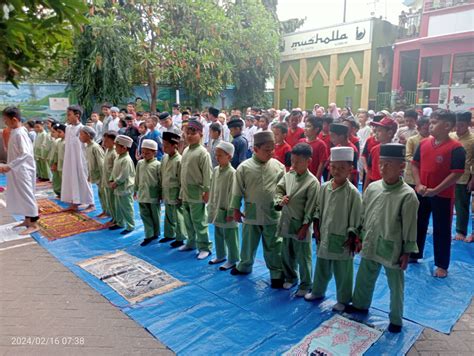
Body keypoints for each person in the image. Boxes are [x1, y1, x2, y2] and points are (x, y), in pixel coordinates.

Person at [347, 143, 419, 333]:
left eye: (389, 164)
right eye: (381, 163)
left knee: (395, 284)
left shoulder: (407, 196)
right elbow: (363, 214)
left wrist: (407, 252)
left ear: (401, 166)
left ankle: (396, 318)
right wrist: (359, 236)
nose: (383, 168)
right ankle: (360, 304)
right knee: (364, 276)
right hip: (370, 241)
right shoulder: (372, 188)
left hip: (392, 247)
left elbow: (411, 227)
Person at [305, 146, 362, 311]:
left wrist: (353, 236)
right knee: (322, 265)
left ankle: (343, 299)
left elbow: (356, 217)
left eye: (342, 168)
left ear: (350, 169)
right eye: (334, 167)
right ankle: (318, 291)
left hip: (343, 239)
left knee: (343, 271)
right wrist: (316, 226)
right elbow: (318, 209)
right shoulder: (324, 188)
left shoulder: (352, 193)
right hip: (325, 235)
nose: (337, 171)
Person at [411, 109, 466, 278]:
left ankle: (441, 265)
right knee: (418, 223)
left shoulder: (456, 148)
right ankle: (415, 253)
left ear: (447, 125)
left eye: (435, 123)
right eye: (431, 122)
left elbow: (456, 173)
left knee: (441, 229)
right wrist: (418, 183)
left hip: (442, 195)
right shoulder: (424, 143)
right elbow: (415, 164)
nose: (430, 125)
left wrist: (436, 190)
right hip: (422, 192)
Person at [230, 131, 286, 289]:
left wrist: (281, 203)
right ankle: (244, 266)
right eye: (267, 149)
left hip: (272, 213)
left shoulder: (278, 166)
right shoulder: (244, 168)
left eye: (272, 149)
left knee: (275, 245)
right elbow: (237, 190)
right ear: (255, 149)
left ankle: (276, 273)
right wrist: (235, 208)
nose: (271, 152)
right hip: (251, 213)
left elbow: (283, 189)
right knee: (248, 243)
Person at [276, 143, 320, 297]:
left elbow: (311, 208)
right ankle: (290, 277)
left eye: (297, 162)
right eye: (292, 161)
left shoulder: (312, 182)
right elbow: (279, 190)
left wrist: (305, 226)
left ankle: (306, 284)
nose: (293, 165)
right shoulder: (289, 175)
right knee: (286, 252)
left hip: (301, 224)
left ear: (308, 161)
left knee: (303, 256)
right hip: (287, 220)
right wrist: (281, 199)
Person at [0, 107, 39, 235]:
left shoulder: (21, 133)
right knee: (21, 195)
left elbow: (26, 154)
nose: (5, 122)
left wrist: (9, 166)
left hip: (23, 170)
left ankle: (34, 223)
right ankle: (27, 220)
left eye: (6, 120)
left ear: (14, 119)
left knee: (27, 195)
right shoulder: (15, 131)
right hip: (17, 169)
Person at [178, 119, 213, 260]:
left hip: (197, 192)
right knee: (187, 219)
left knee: (199, 221)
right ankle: (191, 242)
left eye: (193, 133)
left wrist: (207, 191)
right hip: (186, 191)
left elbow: (207, 174)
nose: (190, 136)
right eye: (188, 133)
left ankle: (205, 247)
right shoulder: (186, 150)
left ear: (200, 134)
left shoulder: (202, 153)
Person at [208, 141, 240, 270]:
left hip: (227, 209)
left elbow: (233, 195)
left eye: (220, 155)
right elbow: (213, 189)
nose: (217, 157)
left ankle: (232, 259)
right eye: (216, 155)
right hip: (217, 207)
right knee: (218, 232)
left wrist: (230, 212)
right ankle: (221, 255)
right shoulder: (216, 170)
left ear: (229, 157)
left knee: (230, 235)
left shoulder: (232, 173)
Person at [61, 105, 94, 211]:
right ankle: (75, 202)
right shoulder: (68, 128)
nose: (68, 117)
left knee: (83, 179)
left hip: (81, 159)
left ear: (77, 115)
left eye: (69, 115)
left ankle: (91, 204)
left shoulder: (82, 129)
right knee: (71, 179)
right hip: (70, 158)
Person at [161, 132, 187, 247]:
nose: (164, 148)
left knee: (178, 215)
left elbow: (182, 180)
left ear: (174, 146)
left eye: (166, 145)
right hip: (166, 190)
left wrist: (180, 194)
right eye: (163, 145)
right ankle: (169, 234)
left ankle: (180, 237)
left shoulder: (179, 160)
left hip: (175, 192)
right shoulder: (164, 158)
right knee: (168, 214)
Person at [451, 111, 474, 242]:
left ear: (468, 124)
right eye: (457, 125)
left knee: (461, 205)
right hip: (447, 176)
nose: (458, 128)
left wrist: (473, 179)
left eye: (461, 125)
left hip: (463, 177)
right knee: (446, 203)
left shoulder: (472, 140)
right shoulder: (451, 136)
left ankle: (461, 231)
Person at [135, 139, 162, 246]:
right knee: (144, 214)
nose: (144, 155)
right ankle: (149, 234)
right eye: (143, 152)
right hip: (142, 194)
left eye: (148, 153)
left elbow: (161, 181)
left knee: (155, 215)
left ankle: (156, 232)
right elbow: (137, 178)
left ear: (154, 153)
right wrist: (135, 190)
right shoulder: (140, 163)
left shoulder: (158, 165)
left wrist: (161, 193)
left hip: (153, 194)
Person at [109, 135, 136, 235]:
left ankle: (130, 225)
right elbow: (114, 170)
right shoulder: (118, 158)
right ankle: (120, 223)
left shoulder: (127, 160)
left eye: (117, 146)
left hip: (125, 188)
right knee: (118, 207)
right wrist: (111, 179)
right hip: (117, 187)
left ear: (124, 148)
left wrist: (116, 182)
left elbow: (124, 175)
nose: (115, 148)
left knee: (127, 208)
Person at [80, 126, 105, 214]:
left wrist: (104, 177)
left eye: (81, 134)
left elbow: (101, 164)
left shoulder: (95, 147)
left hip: (102, 176)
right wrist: (90, 174)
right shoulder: (88, 147)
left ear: (87, 135)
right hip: (96, 175)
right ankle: (105, 211)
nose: (80, 136)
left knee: (104, 194)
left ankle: (107, 212)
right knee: (101, 194)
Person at [366, 117, 398, 185]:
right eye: (376, 130)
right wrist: (365, 189)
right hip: (374, 184)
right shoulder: (374, 149)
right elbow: (369, 170)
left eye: (379, 130)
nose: (376, 133)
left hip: (389, 185)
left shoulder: (396, 151)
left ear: (389, 133)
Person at [300, 115, 328, 181]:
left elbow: (322, 164)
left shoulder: (321, 144)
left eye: (309, 126)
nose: (305, 129)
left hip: (312, 177)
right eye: (305, 126)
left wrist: (317, 178)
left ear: (316, 129)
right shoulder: (301, 141)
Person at [404, 117, 430, 187]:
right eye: (425, 129)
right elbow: (407, 156)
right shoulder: (412, 140)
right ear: (418, 129)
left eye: (429, 128)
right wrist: (419, 161)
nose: (428, 131)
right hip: (411, 174)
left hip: (426, 173)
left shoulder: (433, 140)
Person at [101, 131, 118, 224]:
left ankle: (117, 219)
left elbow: (115, 169)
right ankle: (113, 217)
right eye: (103, 141)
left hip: (112, 182)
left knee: (114, 202)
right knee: (110, 202)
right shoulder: (108, 150)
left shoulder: (114, 153)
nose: (104, 143)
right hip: (106, 180)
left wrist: (113, 180)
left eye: (106, 141)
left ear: (114, 142)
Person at [51, 123, 66, 198]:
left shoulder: (67, 142)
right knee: (61, 180)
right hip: (60, 165)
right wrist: (55, 163)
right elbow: (56, 154)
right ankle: (62, 193)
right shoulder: (59, 142)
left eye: (60, 132)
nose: (58, 134)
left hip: (65, 166)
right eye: (58, 132)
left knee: (66, 181)